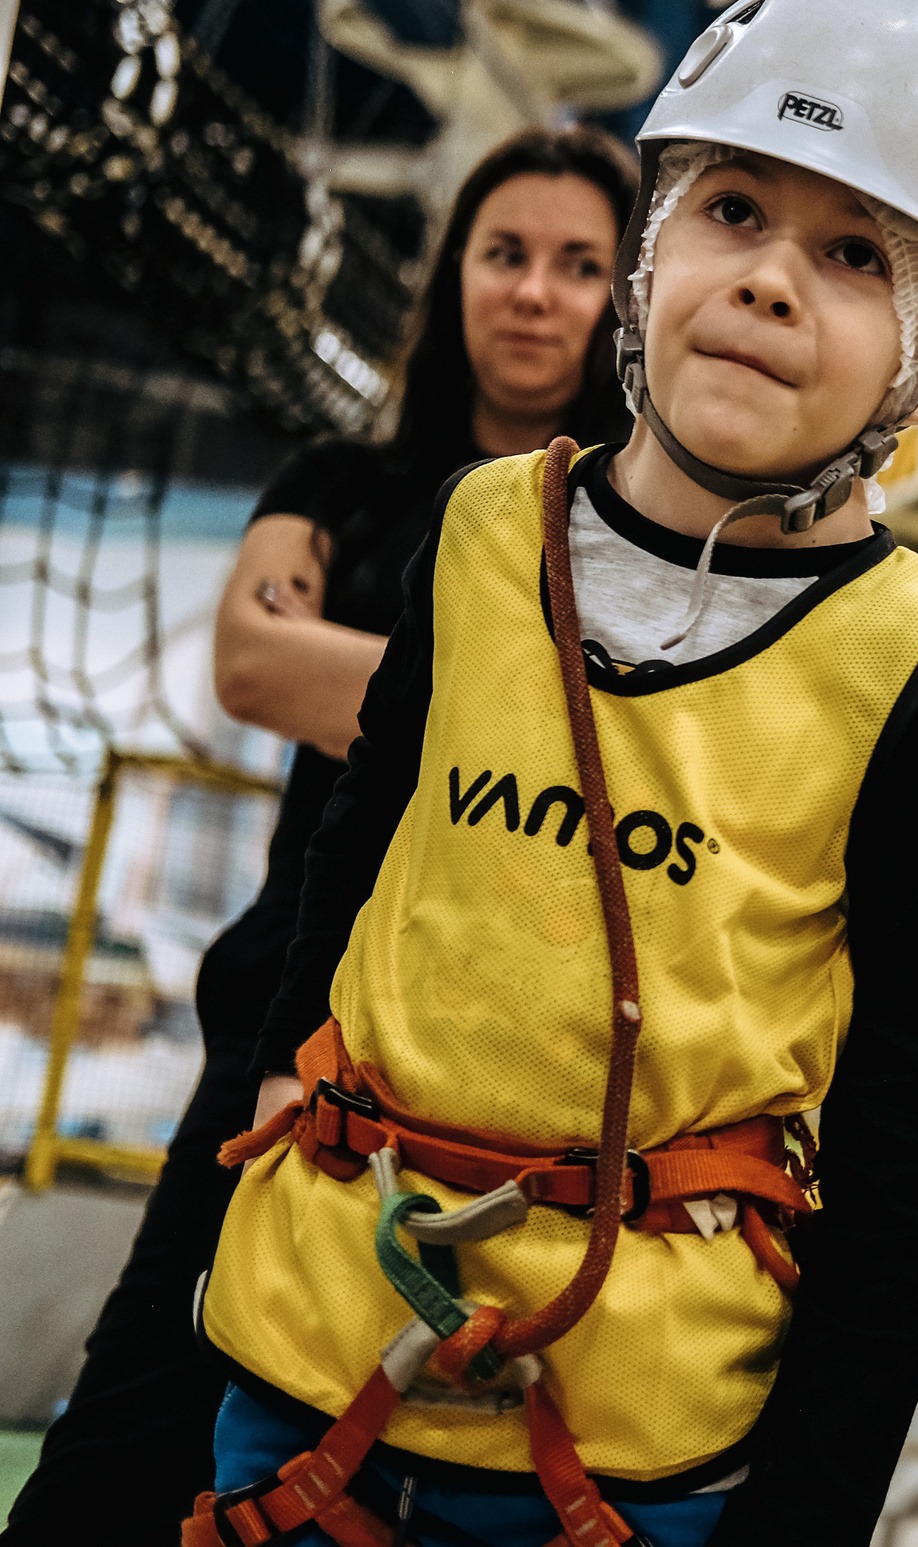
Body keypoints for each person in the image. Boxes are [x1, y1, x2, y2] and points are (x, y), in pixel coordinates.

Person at [185, 0, 918, 1547]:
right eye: (733, 210)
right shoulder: (478, 528)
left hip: (633, 1451)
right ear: (650, 262)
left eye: (857, 255)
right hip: (313, 1369)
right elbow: (356, 848)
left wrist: (807, 1508)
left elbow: (912, 1132)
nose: (770, 280)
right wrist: (286, 1076)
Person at [0, 126, 637, 1547]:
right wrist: (523, 707)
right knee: (133, 1424)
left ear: (622, 300)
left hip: (501, 1068)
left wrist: (368, 676)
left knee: (398, 1471)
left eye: (579, 264)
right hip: (287, 1023)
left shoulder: (615, 539)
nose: (535, 291)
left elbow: (337, 680)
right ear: (455, 276)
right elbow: (250, 666)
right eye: (505, 253)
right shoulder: (341, 484)